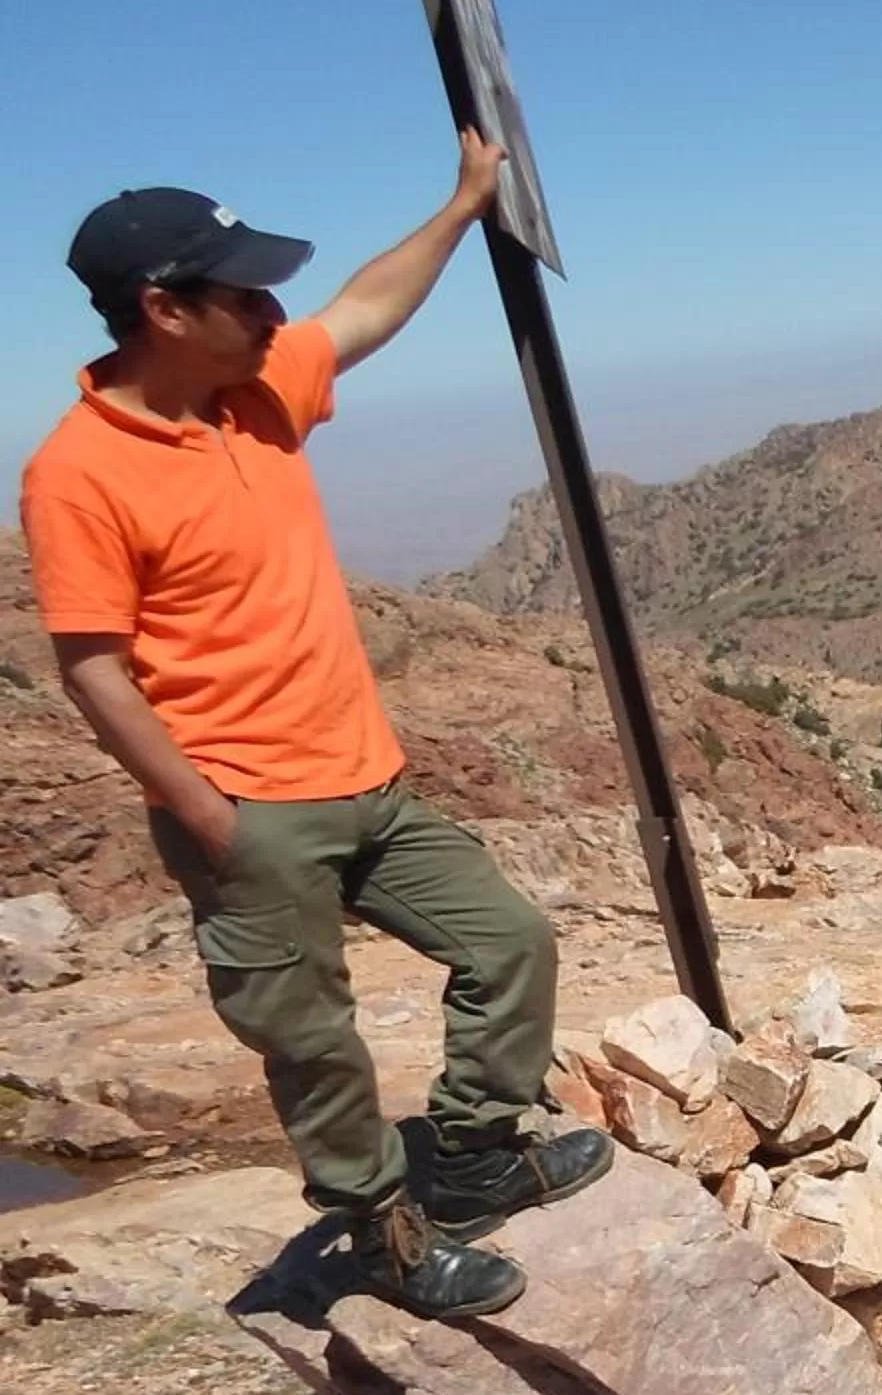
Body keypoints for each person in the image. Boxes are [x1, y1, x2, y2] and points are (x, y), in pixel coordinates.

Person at [20, 137, 610, 1321]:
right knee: (314, 1041)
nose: (271, 304)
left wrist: (460, 205)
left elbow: (363, 309)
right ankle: (385, 1236)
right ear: (162, 310)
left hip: (371, 782)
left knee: (508, 944)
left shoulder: (256, 395)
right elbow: (92, 668)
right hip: (250, 810)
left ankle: (480, 1154)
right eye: (240, 290)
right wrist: (206, 817)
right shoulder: (77, 473)